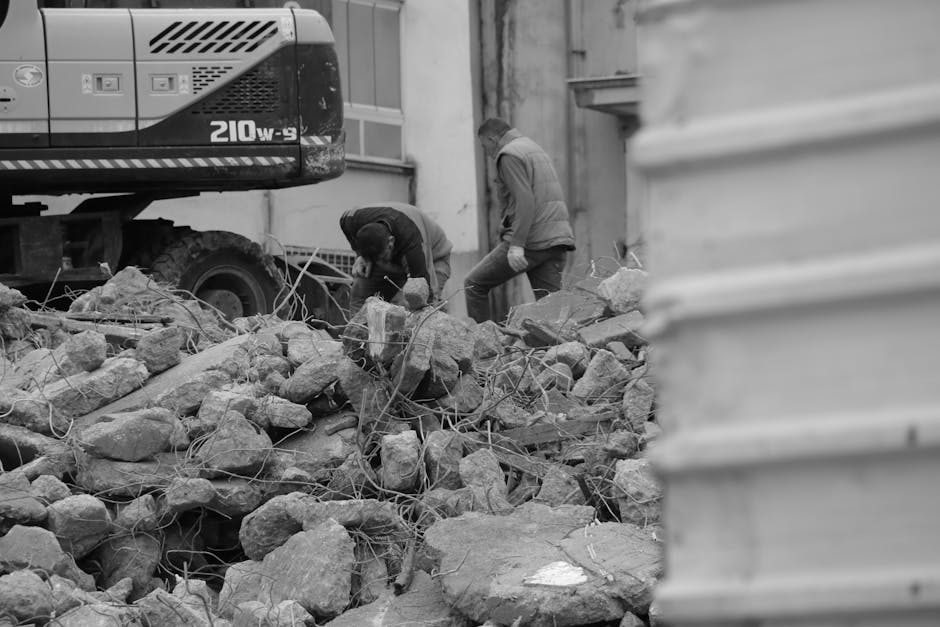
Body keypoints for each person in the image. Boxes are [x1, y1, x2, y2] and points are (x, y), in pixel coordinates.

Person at [464, 117, 576, 323]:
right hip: (556, 240)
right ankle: (563, 343)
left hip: (533, 241)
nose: (487, 153)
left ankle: (482, 340)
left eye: (485, 146)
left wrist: (517, 245)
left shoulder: (509, 155)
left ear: (492, 139)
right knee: (553, 316)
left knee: (474, 284)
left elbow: (525, 200)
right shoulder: (532, 148)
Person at [340, 202, 453, 312]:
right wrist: (362, 256)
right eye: (374, 260)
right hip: (396, 255)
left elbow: (426, 289)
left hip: (435, 258)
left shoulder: (413, 244)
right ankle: (358, 325)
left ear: (391, 242)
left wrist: (428, 313)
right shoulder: (352, 219)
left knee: (415, 305)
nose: (380, 264)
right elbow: (344, 219)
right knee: (360, 297)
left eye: (382, 258)